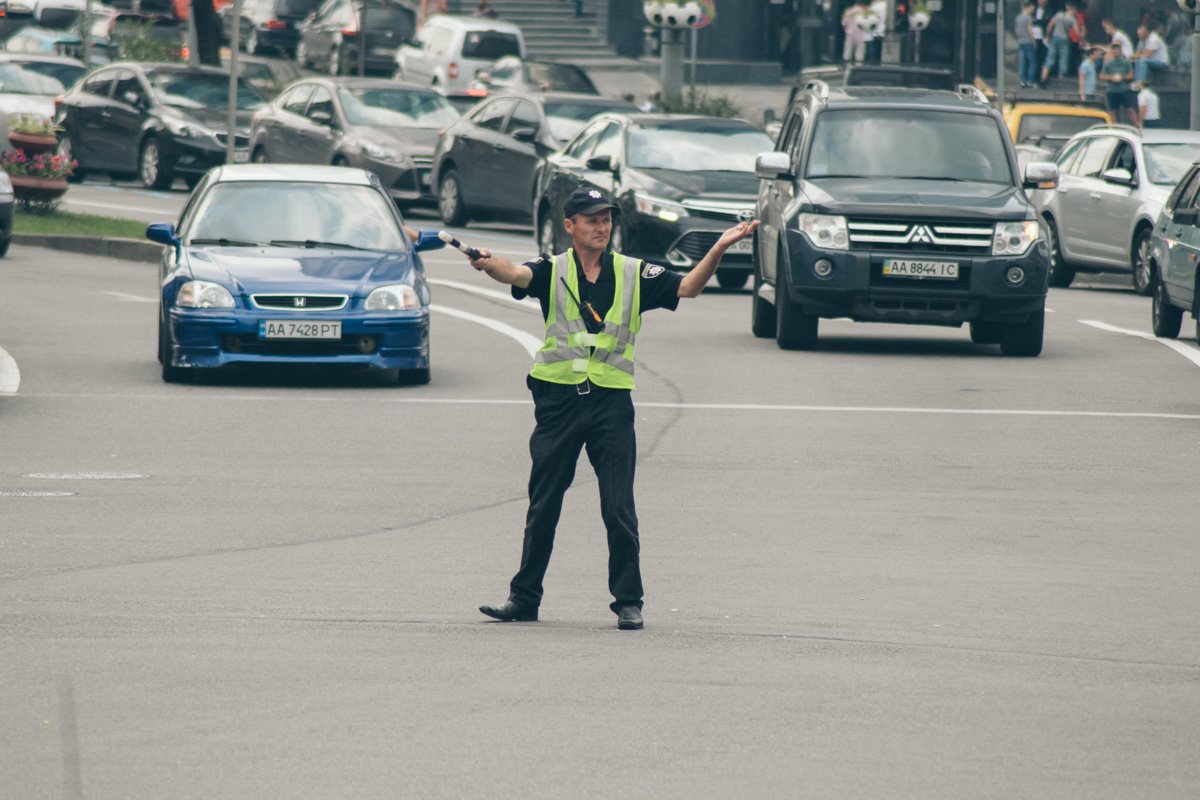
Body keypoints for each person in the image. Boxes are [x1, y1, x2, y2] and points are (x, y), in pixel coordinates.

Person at [462, 187, 759, 631]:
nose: (602, 227)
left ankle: (628, 601)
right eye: (592, 219)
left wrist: (719, 246)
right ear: (570, 226)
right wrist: (488, 263)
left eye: (606, 219)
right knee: (543, 504)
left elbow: (689, 288)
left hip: (610, 404)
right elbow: (513, 272)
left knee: (618, 505)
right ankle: (523, 598)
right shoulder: (552, 269)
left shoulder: (635, 272)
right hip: (558, 401)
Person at [1100, 40, 1137, 127]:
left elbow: (1131, 75)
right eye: (1114, 49)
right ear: (1111, 51)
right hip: (1112, 90)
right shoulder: (1108, 64)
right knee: (1113, 111)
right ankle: (1114, 128)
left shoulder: (1126, 62)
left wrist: (1122, 77)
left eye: (1117, 49)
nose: (1115, 51)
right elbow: (1101, 76)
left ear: (1120, 50)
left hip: (1124, 89)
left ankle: (1137, 125)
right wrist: (1111, 78)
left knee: (1130, 109)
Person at [1041, 2, 1079, 84]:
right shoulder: (1072, 19)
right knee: (1063, 58)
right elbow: (1077, 32)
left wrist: (1047, 36)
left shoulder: (1058, 15)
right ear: (1073, 9)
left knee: (1050, 58)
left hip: (1055, 38)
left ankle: (1043, 78)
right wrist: (1082, 40)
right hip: (1064, 39)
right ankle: (1061, 79)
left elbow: (1050, 26)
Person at [1015, 2, 1037, 88]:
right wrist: (1034, 41)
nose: (1032, 10)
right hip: (1028, 41)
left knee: (1022, 62)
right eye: (1032, 8)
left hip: (1020, 42)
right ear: (1027, 8)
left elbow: (1016, 30)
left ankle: (1022, 81)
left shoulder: (1018, 17)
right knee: (1032, 62)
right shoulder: (1028, 18)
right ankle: (1030, 81)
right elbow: (1030, 30)